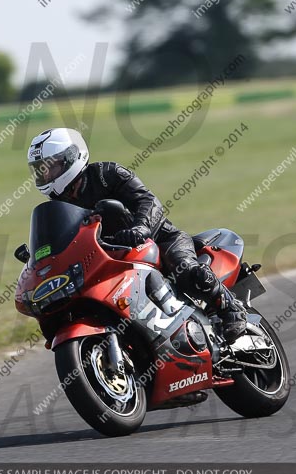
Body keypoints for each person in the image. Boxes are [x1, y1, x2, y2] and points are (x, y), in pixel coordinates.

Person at [27, 127, 247, 343]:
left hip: (159, 240)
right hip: (113, 259)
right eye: (40, 170)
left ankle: (232, 309)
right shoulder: (59, 206)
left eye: (50, 167)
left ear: (71, 157)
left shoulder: (107, 174)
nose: (45, 174)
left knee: (187, 271)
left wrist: (140, 227)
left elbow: (148, 200)